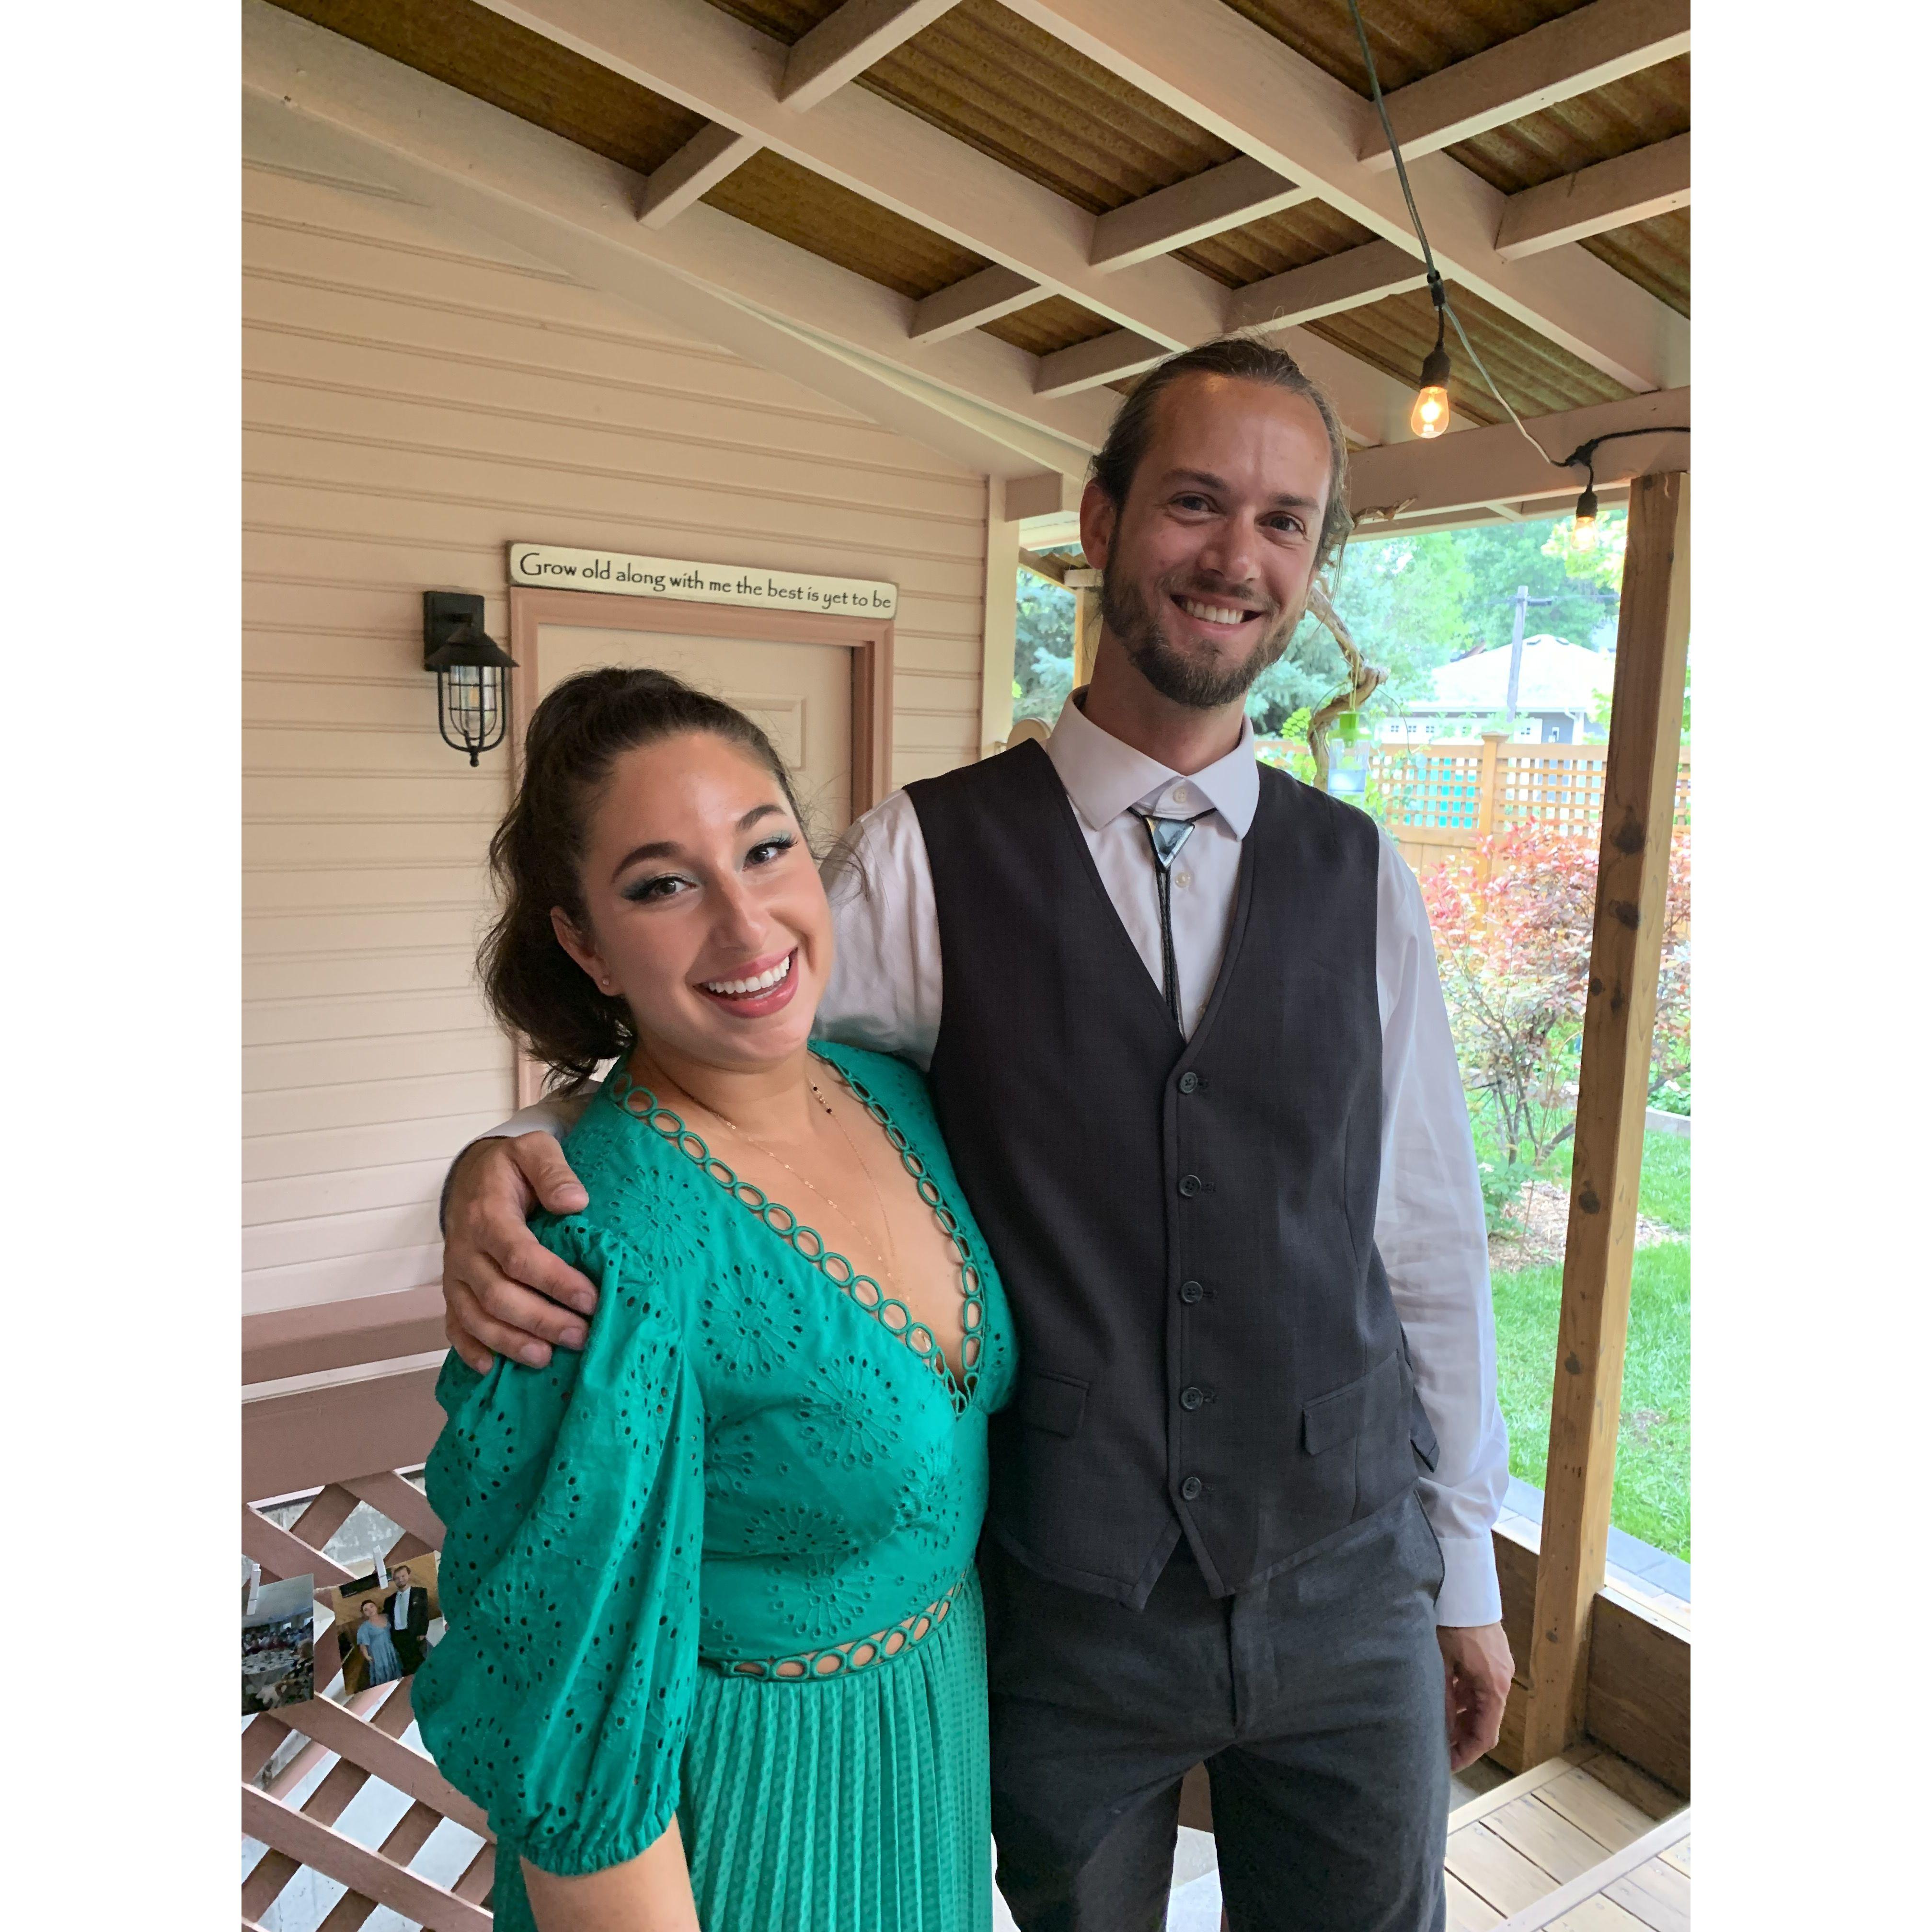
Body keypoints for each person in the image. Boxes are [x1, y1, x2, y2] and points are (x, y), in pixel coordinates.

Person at [442, 336, 1513, 1932]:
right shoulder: (923, 861)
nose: (1236, 555)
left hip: (1346, 1578)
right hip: (1069, 1615)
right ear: (1098, 521)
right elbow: (722, 1046)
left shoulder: (1361, 878)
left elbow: (1425, 1237)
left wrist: (1466, 1573)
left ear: (1311, 567)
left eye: (1285, 524)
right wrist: (514, 1158)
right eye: (1196, 503)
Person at [412, 668, 1016, 1932]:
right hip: (742, 1832)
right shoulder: (598, 1252)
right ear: (584, 940)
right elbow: (569, 1721)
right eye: (663, 885)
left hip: (925, 1769)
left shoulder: (895, 1095)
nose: (748, 929)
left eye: (766, 850)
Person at [384, 1562, 430, 1675]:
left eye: (403, 1576)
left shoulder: (420, 1592)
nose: (400, 1580)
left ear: (408, 1575)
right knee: (405, 1660)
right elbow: (387, 1618)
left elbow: (424, 1613)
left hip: (414, 1632)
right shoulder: (389, 1600)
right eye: (397, 1578)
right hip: (398, 1635)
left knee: (419, 1659)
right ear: (394, 1581)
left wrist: (423, 1631)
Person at [355, 1598, 402, 1689]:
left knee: (394, 1666)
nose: (370, 1610)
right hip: (378, 1653)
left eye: (371, 1606)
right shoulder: (364, 1627)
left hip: (390, 1647)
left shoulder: (387, 1617)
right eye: (366, 1610)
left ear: (376, 1606)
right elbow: (362, 1644)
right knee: (383, 1671)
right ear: (364, 1613)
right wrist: (366, 1655)